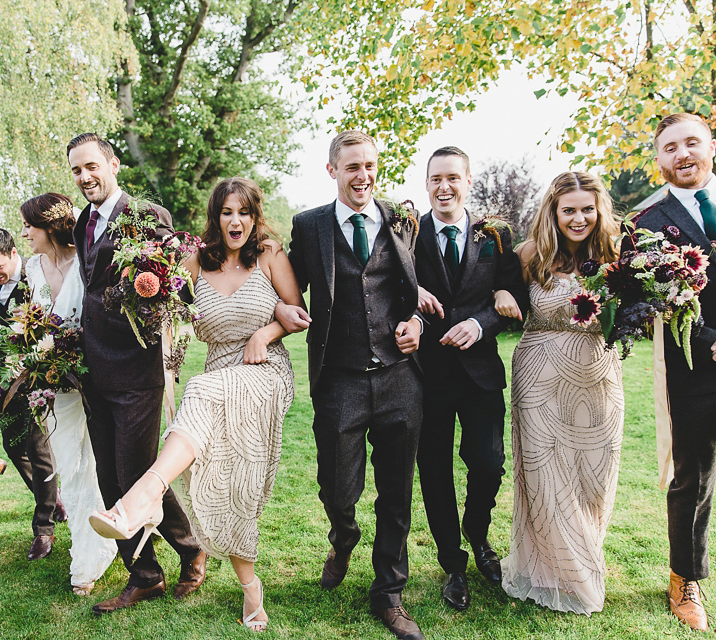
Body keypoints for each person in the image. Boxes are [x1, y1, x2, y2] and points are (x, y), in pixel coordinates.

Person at [89, 177, 303, 630]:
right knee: (229, 479)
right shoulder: (194, 262)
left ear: (254, 215)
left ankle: (143, 498)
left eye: (243, 212)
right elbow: (166, 316)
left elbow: (298, 312)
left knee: (201, 392)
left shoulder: (268, 255)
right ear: (215, 216)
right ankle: (250, 589)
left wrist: (266, 331)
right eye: (227, 212)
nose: (236, 221)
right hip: (217, 373)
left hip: (265, 372)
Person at [277, 130, 425, 640]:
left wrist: (417, 325)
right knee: (337, 489)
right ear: (332, 171)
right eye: (352, 167)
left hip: (399, 379)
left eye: (370, 166)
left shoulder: (402, 221)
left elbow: (416, 287)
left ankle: (388, 593)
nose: (363, 176)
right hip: (338, 379)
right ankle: (343, 536)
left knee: (396, 493)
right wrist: (277, 309)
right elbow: (286, 283)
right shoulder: (310, 225)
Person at [68, 132, 206, 613]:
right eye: (77, 171)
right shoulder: (82, 220)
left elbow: (176, 283)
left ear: (113, 165)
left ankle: (188, 551)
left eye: (91, 167)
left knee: (136, 478)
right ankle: (146, 573)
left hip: (137, 367)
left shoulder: (146, 217)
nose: (85, 178)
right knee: (110, 477)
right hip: (92, 368)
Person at [496, 171, 623, 615]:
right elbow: (499, 283)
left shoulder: (616, 253)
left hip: (599, 376)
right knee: (546, 477)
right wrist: (498, 290)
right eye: (569, 209)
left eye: (587, 209)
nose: (579, 218)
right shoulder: (531, 254)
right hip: (541, 377)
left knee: (594, 477)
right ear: (553, 211)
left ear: (599, 210)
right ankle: (553, 572)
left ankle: (583, 560)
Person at [413, 147, 527, 610]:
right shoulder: (409, 233)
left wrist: (480, 324)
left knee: (488, 462)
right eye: (436, 179)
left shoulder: (494, 236)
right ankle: (452, 563)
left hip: (481, 373)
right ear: (426, 184)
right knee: (434, 470)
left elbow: (514, 293)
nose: (444, 187)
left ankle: (478, 535)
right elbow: (386, 282)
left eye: (453, 178)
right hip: (425, 374)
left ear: (468, 181)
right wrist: (410, 291)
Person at [629, 113, 716, 630]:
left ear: (712, 146)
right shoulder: (647, 223)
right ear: (658, 159)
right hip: (694, 369)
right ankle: (686, 578)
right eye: (670, 148)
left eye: (691, 144)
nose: (682, 155)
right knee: (694, 479)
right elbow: (652, 298)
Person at [17, 193, 117, 595]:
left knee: (96, 465)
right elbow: (32, 322)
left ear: (50, 227)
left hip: (95, 380)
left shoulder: (87, 261)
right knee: (71, 469)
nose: (23, 233)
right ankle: (93, 543)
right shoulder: (31, 267)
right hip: (53, 385)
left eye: (29, 226)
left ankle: (89, 558)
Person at [0, 225, 64, 561]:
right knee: (14, 448)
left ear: (13, 253)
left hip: (35, 379)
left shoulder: (33, 281)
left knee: (40, 453)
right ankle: (55, 500)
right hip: (2, 381)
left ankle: (44, 529)